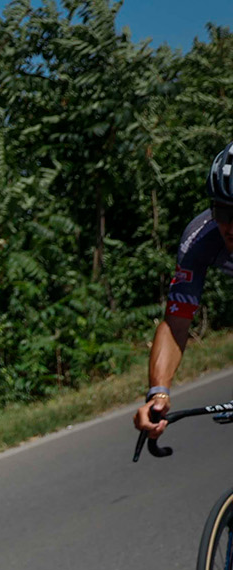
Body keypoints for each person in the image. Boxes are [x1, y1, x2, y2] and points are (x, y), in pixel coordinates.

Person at [132, 142, 233, 446]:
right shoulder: (200, 239)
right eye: (224, 211)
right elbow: (176, 322)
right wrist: (157, 394)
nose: (230, 226)